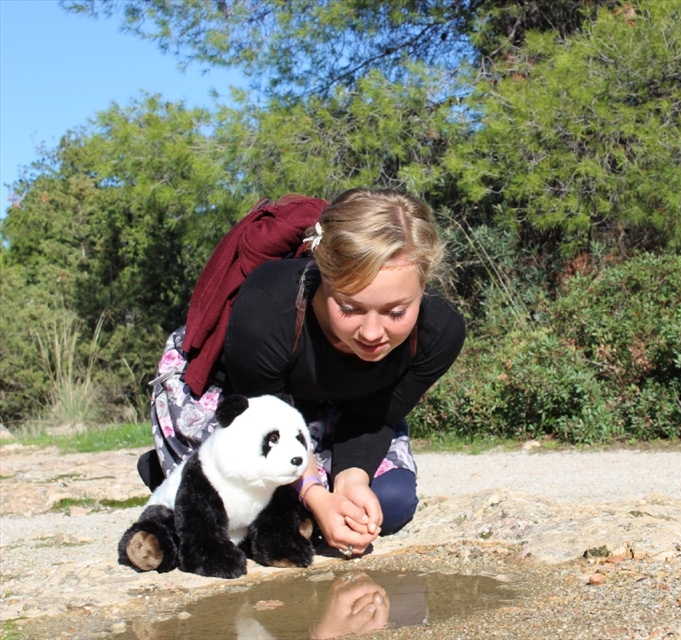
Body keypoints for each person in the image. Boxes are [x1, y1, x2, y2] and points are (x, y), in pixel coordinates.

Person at [146, 188, 466, 559]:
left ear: (423, 285)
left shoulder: (439, 333)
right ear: (323, 275)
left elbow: (375, 414)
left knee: (389, 505)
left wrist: (352, 480)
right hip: (252, 407)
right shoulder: (266, 309)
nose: (373, 333)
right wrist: (315, 495)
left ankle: (178, 471)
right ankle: (174, 468)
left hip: (341, 408)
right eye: (350, 307)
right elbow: (265, 423)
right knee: (248, 516)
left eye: (396, 312)